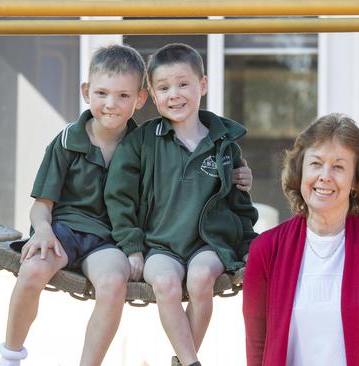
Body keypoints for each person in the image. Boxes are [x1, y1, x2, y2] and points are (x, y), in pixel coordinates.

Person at [0, 44, 253, 366]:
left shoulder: (144, 142)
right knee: (33, 268)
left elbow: (200, 178)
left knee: (113, 283)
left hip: (109, 240)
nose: (111, 105)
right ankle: (10, 355)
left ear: (139, 99)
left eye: (122, 96)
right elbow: (42, 203)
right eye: (102, 93)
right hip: (65, 230)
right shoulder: (68, 142)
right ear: (86, 92)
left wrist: (240, 173)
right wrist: (44, 230)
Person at [105, 43, 258, 366]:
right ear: (152, 93)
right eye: (164, 87)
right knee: (164, 282)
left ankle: (186, 361)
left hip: (210, 243)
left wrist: (248, 246)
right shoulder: (142, 141)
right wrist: (132, 247)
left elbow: (238, 203)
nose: (174, 94)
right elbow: (119, 197)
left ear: (202, 84)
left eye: (183, 84)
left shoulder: (223, 144)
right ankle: (189, 362)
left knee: (201, 279)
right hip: (160, 245)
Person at [242, 113, 359, 366]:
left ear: (355, 180)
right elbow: (257, 348)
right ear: (300, 171)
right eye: (316, 164)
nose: (325, 176)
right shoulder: (266, 250)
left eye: (339, 166)